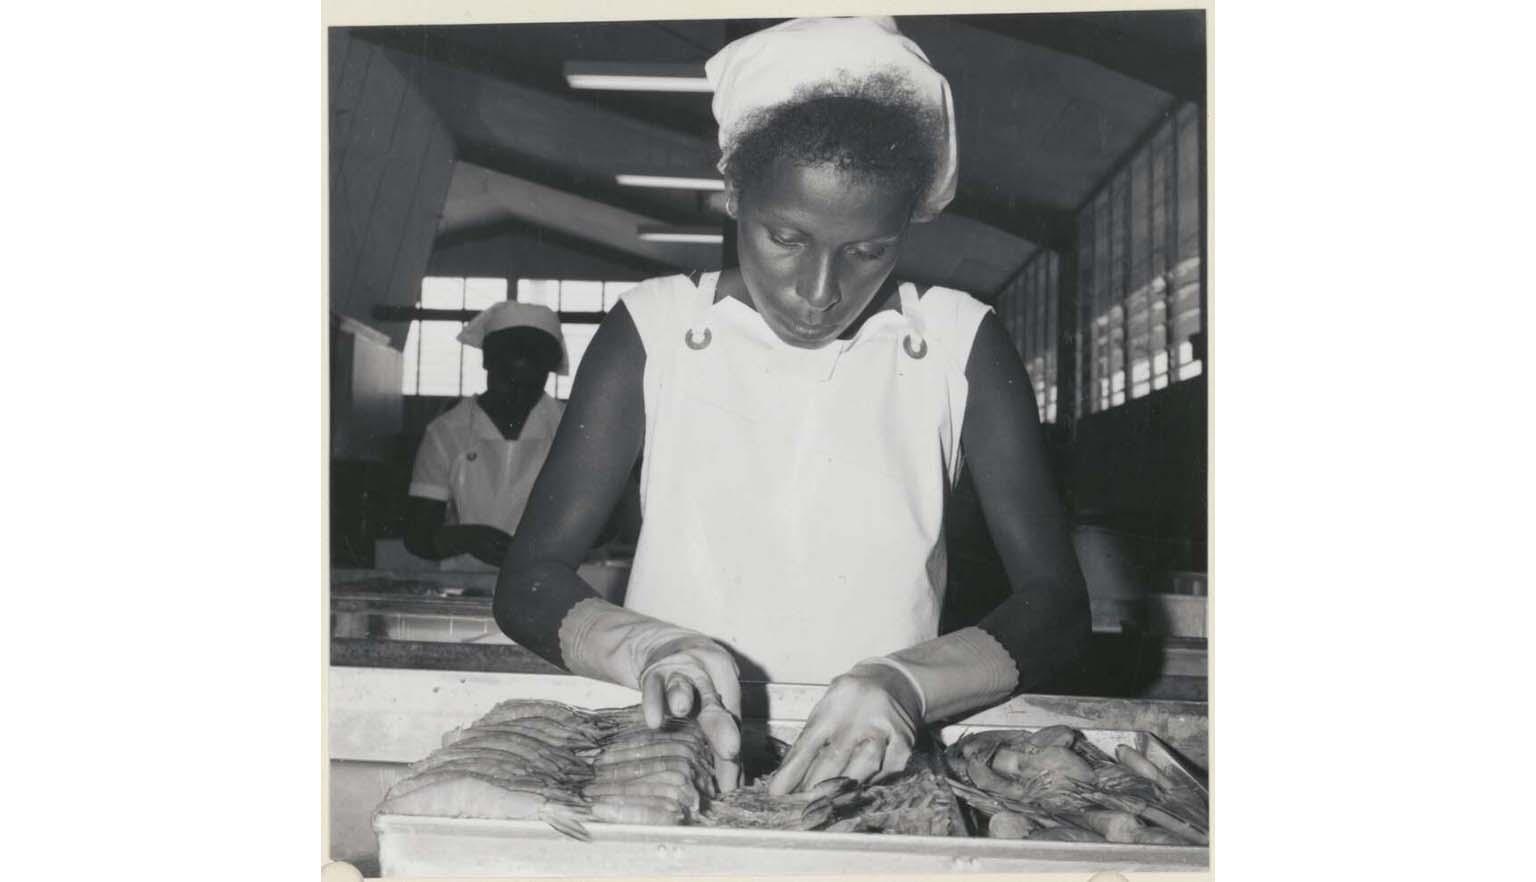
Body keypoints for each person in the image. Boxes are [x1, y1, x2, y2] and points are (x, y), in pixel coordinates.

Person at [493, 16, 1090, 796]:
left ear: (907, 226)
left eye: (868, 251)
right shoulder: (657, 330)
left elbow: (1057, 605)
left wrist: (907, 683)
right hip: (664, 758)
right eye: (786, 237)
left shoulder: (957, 342)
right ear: (735, 195)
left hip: (871, 772)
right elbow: (528, 580)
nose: (818, 292)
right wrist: (645, 648)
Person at [404, 301, 568, 570]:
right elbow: (417, 536)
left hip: (547, 586)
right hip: (465, 586)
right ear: (487, 363)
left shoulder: (569, 429)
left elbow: (606, 526)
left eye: (530, 387)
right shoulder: (447, 433)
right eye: (508, 381)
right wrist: (467, 538)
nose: (517, 396)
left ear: (547, 373)